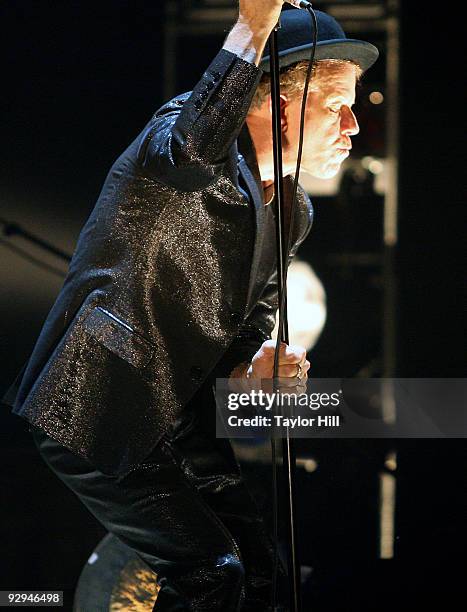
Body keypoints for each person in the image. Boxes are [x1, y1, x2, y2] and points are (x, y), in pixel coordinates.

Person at [2, 3, 378, 610]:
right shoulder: (179, 139)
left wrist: (255, 364)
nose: (354, 125)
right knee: (212, 571)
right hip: (99, 402)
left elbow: (250, 320)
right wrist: (253, 27)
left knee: (263, 574)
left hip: (176, 419)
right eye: (337, 103)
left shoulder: (293, 211)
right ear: (282, 102)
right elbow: (196, 140)